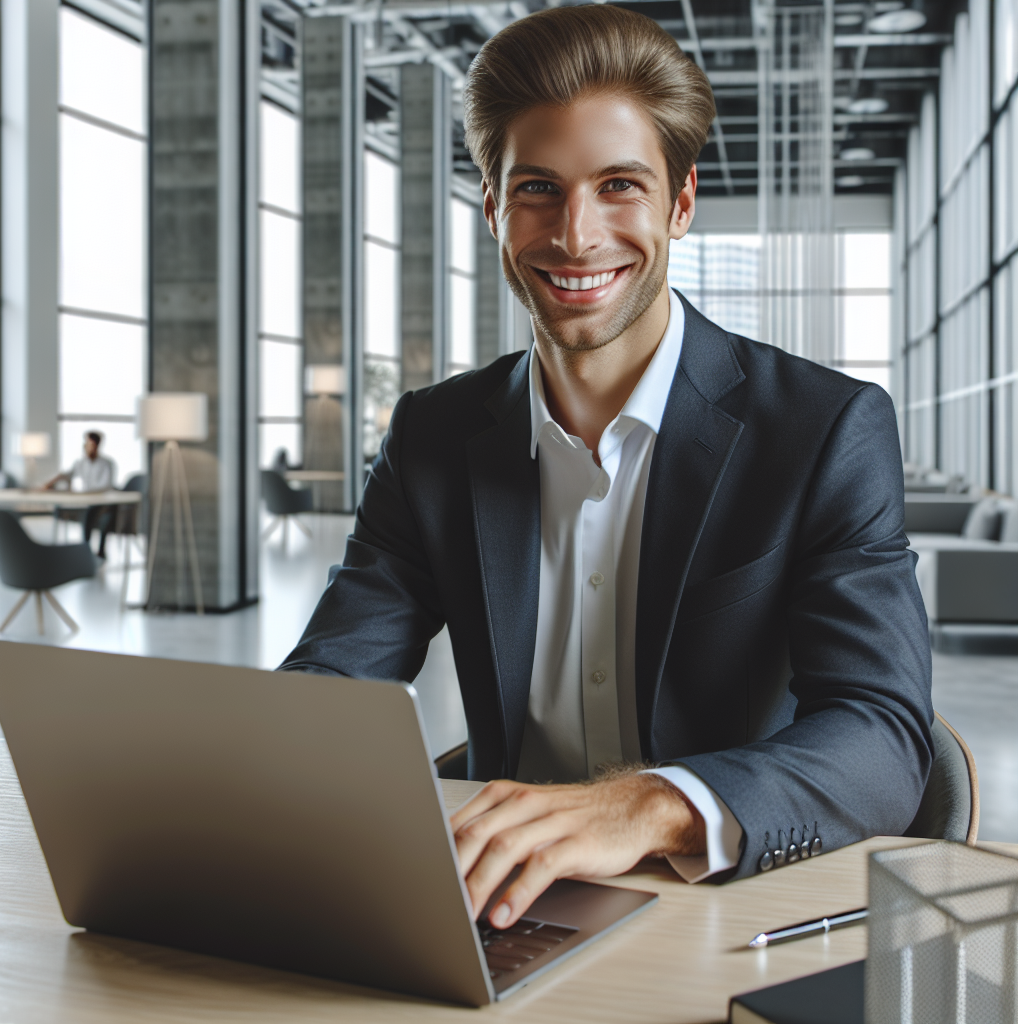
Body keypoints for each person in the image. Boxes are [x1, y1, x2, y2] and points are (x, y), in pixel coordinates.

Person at [281, 5, 932, 931]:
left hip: (722, 907)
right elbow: (338, 676)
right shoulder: (434, 434)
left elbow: (883, 734)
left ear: (680, 202)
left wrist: (648, 803)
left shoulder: (824, 429)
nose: (575, 235)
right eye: (538, 188)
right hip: (505, 909)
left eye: (619, 185)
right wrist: (236, 765)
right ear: (494, 208)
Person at [44, 431, 117, 559]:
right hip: (87, 501)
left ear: (98, 445)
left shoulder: (107, 464)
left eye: (92, 444)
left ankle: (94, 550)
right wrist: (49, 484)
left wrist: (85, 493)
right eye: (87, 444)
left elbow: (106, 486)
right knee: (85, 510)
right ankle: (85, 549)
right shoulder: (81, 462)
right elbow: (66, 474)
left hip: (103, 501)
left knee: (96, 513)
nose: (89, 447)